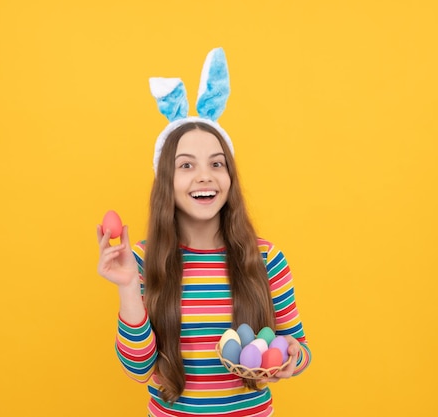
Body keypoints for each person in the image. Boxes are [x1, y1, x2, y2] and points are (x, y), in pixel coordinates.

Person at [97, 48, 311, 417]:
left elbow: (300, 346)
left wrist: (293, 356)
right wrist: (129, 287)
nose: (204, 175)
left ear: (230, 177)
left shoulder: (265, 258)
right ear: (167, 180)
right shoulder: (141, 261)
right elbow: (138, 369)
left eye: (217, 163)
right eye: (186, 165)